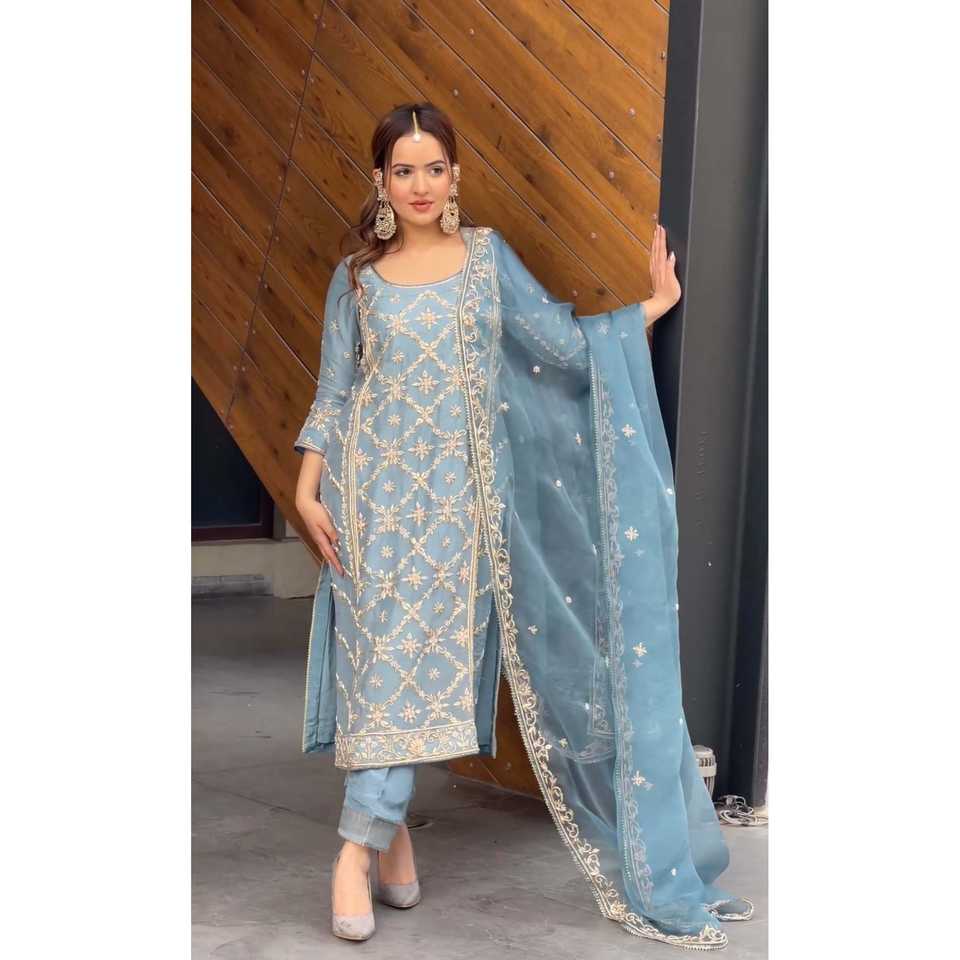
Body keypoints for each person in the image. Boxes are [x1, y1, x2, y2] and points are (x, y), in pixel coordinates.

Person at [294, 102, 753, 947]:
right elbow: (336, 389)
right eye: (404, 170)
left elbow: (562, 349)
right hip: (367, 506)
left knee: (416, 676)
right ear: (381, 181)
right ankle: (384, 845)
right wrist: (306, 488)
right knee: (376, 676)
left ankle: (354, 853)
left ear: (455, 176)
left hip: (459, 519)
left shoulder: (485, 261)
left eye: (435, 168)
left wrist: (650, 309)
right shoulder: (356, 277)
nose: (421, 185)